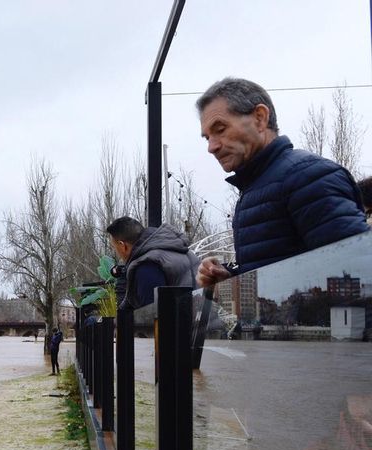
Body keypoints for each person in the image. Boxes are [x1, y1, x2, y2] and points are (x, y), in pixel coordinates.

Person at [195, 78, 369, 287]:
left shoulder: (307, 177)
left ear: (260, 118)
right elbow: (283, 279)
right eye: (207, 137)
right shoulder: (259, 187)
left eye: (220, 129)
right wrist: (232, 281)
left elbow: (358, 275)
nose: (211, 147)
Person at [106, 216, 200, 310]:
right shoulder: (178, 251)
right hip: (205, 319)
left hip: (188, 322)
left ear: (123, 246)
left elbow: (150, 317)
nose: (116, 253)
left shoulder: (146, 266)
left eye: (114, 247)